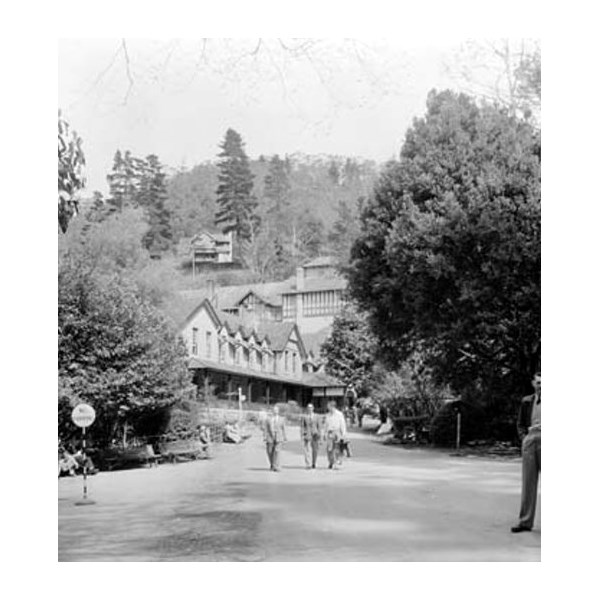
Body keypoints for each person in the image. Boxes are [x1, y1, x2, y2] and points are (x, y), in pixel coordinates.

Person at [511, 372, 541, 533]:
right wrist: (524, 438)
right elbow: (520, 423)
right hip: (530, 440)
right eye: (538, 382)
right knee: (528, 482)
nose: (541, 385)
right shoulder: (527, 401)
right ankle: (525, 522)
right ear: (533, 384)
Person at [324, 401, 347, 469]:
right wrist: (324, 434)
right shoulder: (327, 415)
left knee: (337, 448)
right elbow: (326, 425)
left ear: (333, 407)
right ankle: (331, 462)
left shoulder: (339, 414)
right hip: (329, 433)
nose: (328, 408)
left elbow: (342, 424)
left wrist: (343, 434)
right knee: (329, 449)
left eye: (329, 407)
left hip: (337, 432)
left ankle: (336, 463)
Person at [264, 406, 287, 472]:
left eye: (276, 410)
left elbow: (283, 428)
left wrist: (285, 437)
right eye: (274, 410)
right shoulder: (268, 419)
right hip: (270, 437)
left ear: (278, 411)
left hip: (279, 437)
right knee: (270, 451)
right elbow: (265, 428)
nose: (275, 411)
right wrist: (265, 436)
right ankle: (272, 464)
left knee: (277, 451)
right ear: (272, 411)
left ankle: (276, 466)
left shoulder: (282, 419)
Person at [300, 403, 321, 469]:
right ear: (307, 409)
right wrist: (302, 434)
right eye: (308, 408)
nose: (310, 409)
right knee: (307, 450)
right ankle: (308, 464)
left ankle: (314, 463)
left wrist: (320, 435)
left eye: (311, 408)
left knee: (315, 450)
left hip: (315, 435)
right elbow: (302, 426)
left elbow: (319, 426)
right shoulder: (304, 417)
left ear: (313, 408)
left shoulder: (317, 416)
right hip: (307, 435)